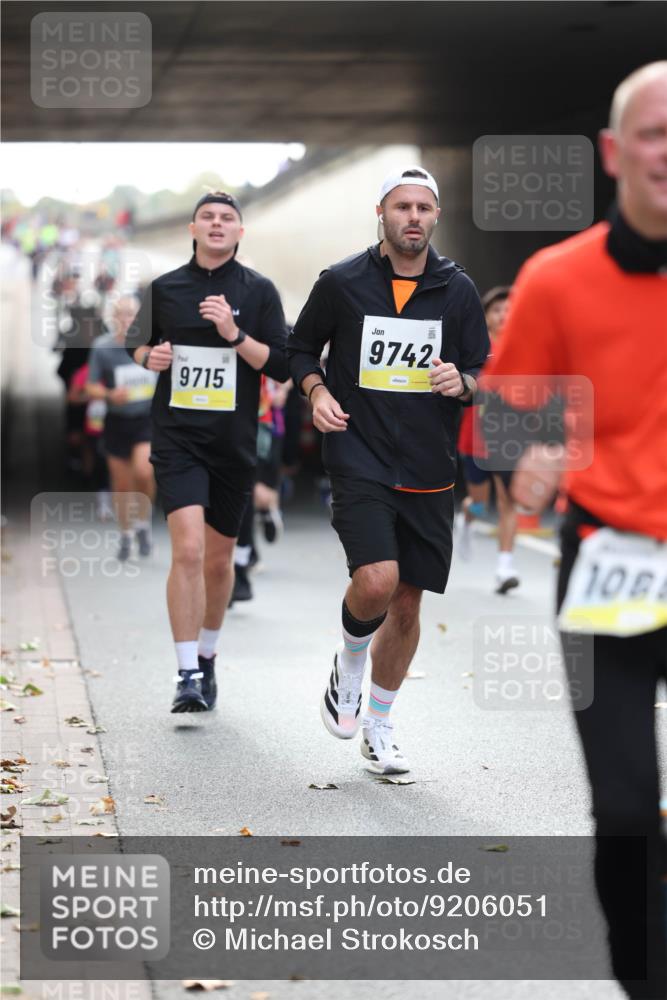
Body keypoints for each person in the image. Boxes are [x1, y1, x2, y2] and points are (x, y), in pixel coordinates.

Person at [483, 62, 667, 1000]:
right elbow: (505, 419)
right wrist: (535, 456)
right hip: (609, 565)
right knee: (628, 806)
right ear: (612, 152)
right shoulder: (555, 280)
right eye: (653, 132)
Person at [288, 166, 489, 773]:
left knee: (405, 604)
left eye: (424, 208)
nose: (413, 217)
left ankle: (379, 724)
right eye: (402, 206)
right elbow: (301, 347)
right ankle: (349, 663)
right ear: (381, 213)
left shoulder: (457, 288)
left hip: (429, 466)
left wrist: (463, 382)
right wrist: (318, 391)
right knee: (376, 581)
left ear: (436, 216)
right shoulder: (343, 281)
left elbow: (484, 368)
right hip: (359, 453)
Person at [125, 192, 288, 713]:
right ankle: (186, 673)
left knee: (218, 564)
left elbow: (280, 364)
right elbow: (136, 343)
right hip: (178, 439)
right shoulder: (165, 288)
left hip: (232, 443)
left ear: (240, 232)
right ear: (192, 228)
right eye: (208, 218)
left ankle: (208, 655)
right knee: (189, 551)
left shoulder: (259, 291)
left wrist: (233, 334)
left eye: (227, 219)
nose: (217, 224)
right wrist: (150, 356)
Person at [456, 285, 520, 592]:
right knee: (480, 503)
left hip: (511, 438)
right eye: (497, 310)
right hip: (476, 436)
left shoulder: (525, 345)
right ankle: (467, 518)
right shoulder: (477, 347)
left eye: (509, 310)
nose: (503, 315)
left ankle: (505, 568)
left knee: (509, 501)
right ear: (486, 317)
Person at [87, 295, 157, 559]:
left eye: (132, 314)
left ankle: (143, 523)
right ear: (113, 318)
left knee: (144, 472)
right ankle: (126, 534)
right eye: (121, 314)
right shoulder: (102, 348)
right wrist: (109, 394)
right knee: (122, 484)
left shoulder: (151, 345)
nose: (127, 319)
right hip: (117, 421)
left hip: (146, 420)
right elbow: (90, 386)